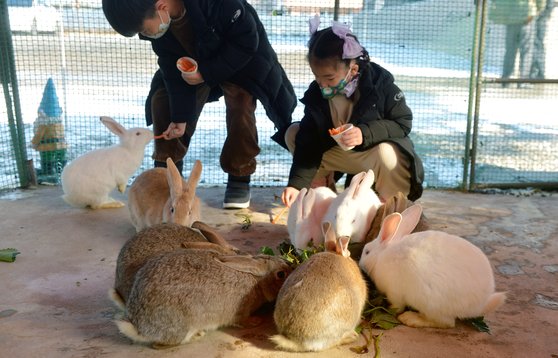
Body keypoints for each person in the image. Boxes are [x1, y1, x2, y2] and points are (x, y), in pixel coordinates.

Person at [102, 0, 297, 209]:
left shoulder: (220, 5)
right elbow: (171, 70)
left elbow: (247, 42)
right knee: (162, 100)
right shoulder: (161, 30)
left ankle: (239, 175)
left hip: (241, 62)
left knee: (241, 103)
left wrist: (205, 72)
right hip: (191, 68)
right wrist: (180, 118)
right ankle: (168, 176)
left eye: (143, 29)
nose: (145, 35)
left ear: (161, 7)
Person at [281, 17, 424, 208]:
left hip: (370, 158)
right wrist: (296, 185)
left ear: (353, 69)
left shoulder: (381, 87)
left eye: (329, 77)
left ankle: (391, 205)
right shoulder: (317, 93)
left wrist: (364, 133)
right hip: (337, 154)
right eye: (317, 77)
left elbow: (402, 123)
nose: (322, 84)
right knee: (294, 133)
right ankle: (321, 191)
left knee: (388, 153)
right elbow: (309, 140)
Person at [489, 0, 547, 88]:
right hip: (527, 17)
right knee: (526, 52)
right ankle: (522, 81)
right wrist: (537, 11)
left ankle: (505, 80)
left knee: (510, 52)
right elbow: (540, 2)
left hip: (511, 19)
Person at [530, 0, 555, 79]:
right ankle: (537, 72)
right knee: (536, 44)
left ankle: (537, 72)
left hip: (539, 17)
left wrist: (544, 13)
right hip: (536, 16)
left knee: (537, 43)